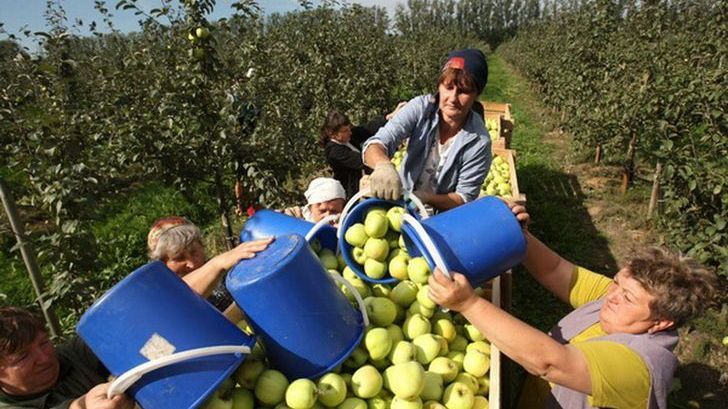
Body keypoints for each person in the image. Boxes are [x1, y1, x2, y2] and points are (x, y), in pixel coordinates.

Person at [427, 202, 717, 409]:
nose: (612, 295)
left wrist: (467, 303)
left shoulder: (640, 367)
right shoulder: (613, 298)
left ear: (662, 322)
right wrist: (517, 235)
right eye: (617, 282)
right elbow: (554, 270)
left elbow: (550, 362)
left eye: (628, 297)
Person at [362, 48, 491, 212]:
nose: (452, 98)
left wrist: (426, 198)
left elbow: (464, 198)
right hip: (399, 207)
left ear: (476, 95)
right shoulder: (420, 108)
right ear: (439, 85)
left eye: (463, 91)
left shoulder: (479, 142)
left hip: (442, 220)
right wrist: (382, 164)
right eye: (448, 87)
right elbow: (375, 144)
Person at [0, 307, 133, 409]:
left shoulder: (72, 354)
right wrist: (85, 405)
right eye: (23, 356)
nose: (44, 358)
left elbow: (120, 330)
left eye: (44, 343)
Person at [146, 216, 272, 318]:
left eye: (194, 252)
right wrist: (217, 264)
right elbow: (179, 300)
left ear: (202, 246)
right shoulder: (160, 298)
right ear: (163, 265)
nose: (192, 264)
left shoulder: (226, 272)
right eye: (179, 258)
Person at [321, 103, 407, 200]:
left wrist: (389, 117)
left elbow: (368, 128)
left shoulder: (349, 137)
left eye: (349, 128)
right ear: (332, 134)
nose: (350, 132)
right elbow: (362, 160)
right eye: (345, 131)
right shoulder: (334, 152)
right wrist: (381, 155)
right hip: (353, 195)